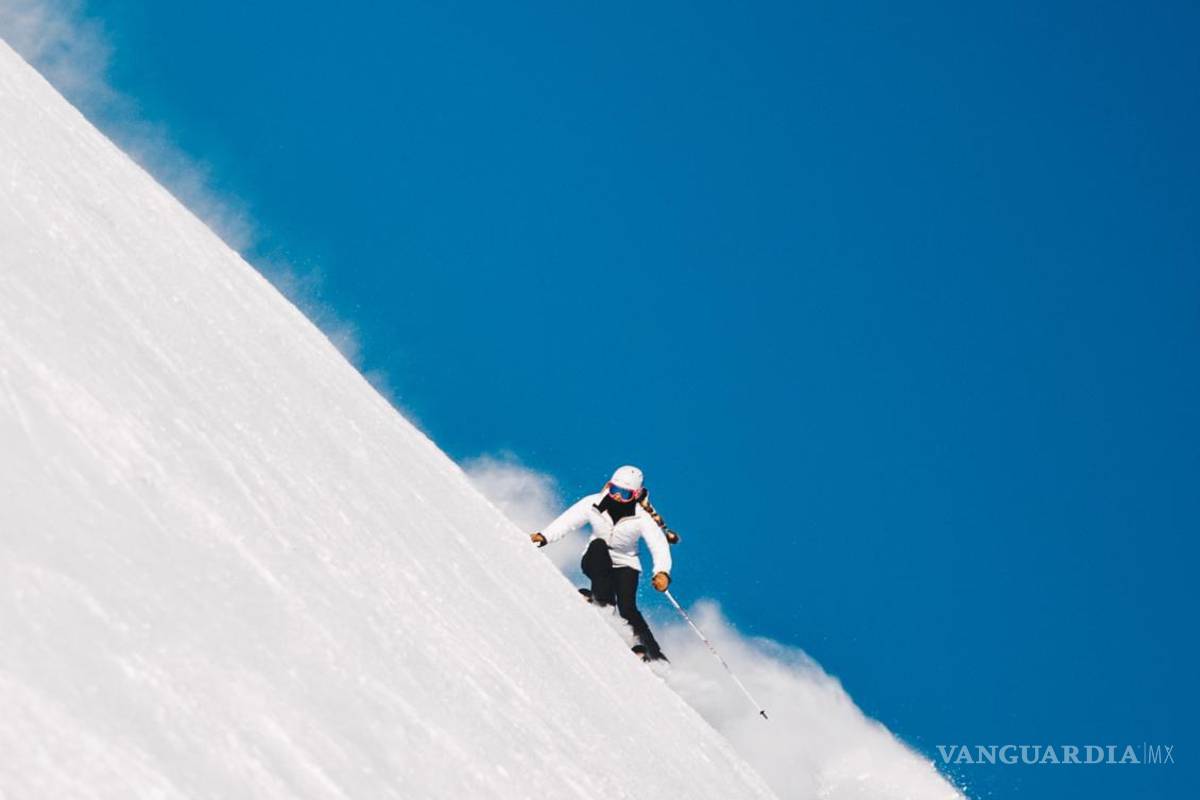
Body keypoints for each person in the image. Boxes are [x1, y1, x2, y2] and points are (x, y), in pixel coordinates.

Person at [531, 465, 672, 661]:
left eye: (624, 494)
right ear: (609, 486)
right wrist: (544, 536)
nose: (617, 497)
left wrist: (662, 572)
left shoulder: (642, 517)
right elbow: (568, 520)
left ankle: (653, 654)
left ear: (636, 494)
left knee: (627, 607)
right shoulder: (593, 503)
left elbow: (659, 545)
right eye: (614, 490)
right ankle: (602, 600)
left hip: (626, 563)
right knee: (598, 546)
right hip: (596, 557)